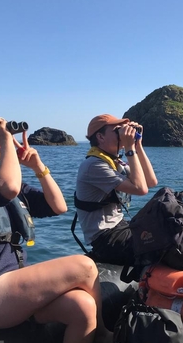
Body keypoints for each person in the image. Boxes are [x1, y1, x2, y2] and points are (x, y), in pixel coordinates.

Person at [0, 113, 111, 343]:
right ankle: (105, 336)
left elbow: (58, 206)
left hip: (9, 292)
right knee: (84, 265)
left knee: (82, 307)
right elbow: (7, 188)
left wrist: (38, 167)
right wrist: (7, 141)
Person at [75, 114, 158, 265]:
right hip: (106, 239)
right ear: (100, 137)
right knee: (163, 244)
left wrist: (138, 145)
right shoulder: (94, 165)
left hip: (120, 227)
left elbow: (151, 181)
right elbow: (141, 189)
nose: (123, 133)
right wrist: (130, 149)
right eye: (118, 130)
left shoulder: (115, 162)